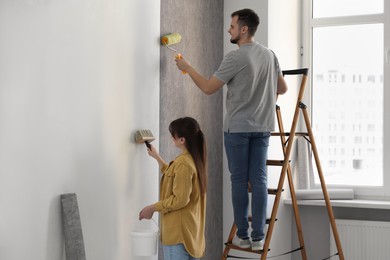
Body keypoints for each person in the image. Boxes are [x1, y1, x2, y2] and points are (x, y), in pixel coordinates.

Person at [175, 8, 288, 251]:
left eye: (232, 26)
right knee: (259, 180)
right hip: (263, 127)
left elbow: (207, 87)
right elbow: (283, 88)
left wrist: (186, 67)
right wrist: (263, 96)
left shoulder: (235, 58)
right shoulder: (270, 55)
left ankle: (243, 236)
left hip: (238, 129)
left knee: (239, 181)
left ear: (243, 29)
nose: (229, 29)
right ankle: (259, 237)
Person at [139, 117, 207, 260]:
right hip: (189, 233)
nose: (171, 137)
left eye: (173, 134)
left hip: (177, 234)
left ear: (182, 140)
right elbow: (175, 177)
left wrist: (152, 208)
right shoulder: (193, 159)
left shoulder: (183, 163)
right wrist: (157, 157)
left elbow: (180, 199)